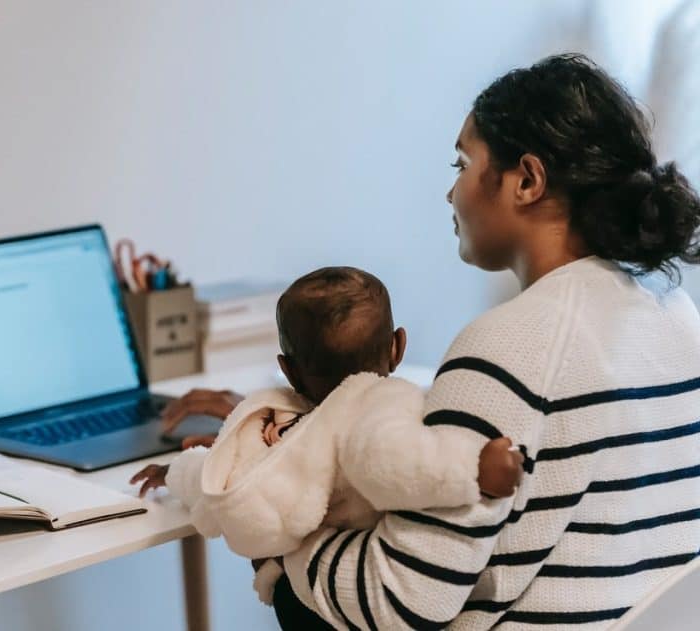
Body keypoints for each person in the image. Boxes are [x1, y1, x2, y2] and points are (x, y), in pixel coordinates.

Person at [161, 54, 700, 629]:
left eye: (462, 162)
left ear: (526, 180)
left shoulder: (508, 346)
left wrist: (270, 510)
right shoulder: (672, 311)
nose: (450, 193)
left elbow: (399, 600)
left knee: (294, 591)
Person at [132, 266, 522, 605]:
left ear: (288, 370)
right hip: (353, 585)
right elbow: (408, 463)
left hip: (314, 589)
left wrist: (173, 473)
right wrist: (476, 468)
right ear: (398, 347)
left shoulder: (278, 435)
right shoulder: (382, 415)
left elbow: (217, 481)